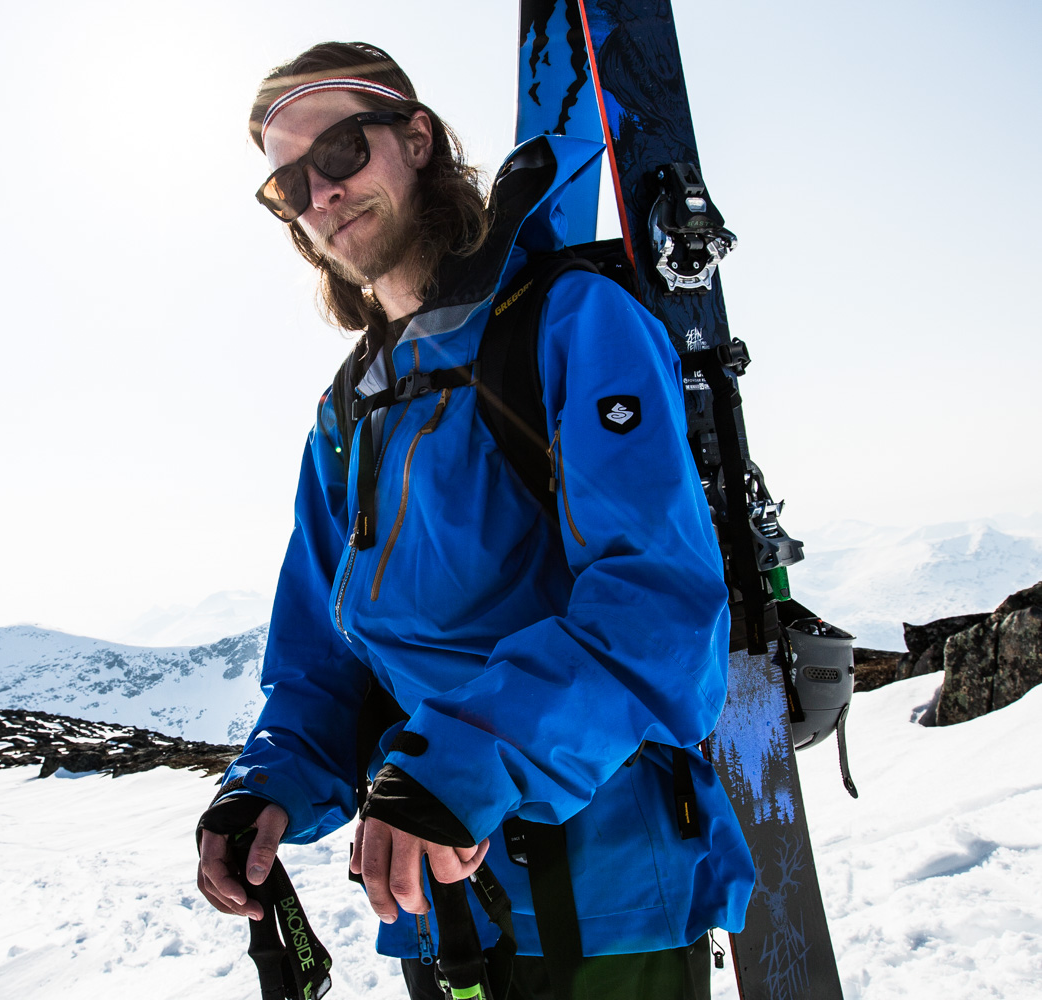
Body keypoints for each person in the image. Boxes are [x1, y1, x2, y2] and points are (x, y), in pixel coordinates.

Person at [195, 41, 754, 1000]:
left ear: (417, 141)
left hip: (605, 907)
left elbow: (656, 606)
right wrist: (268, 790)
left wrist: (463, 763)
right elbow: (323, 665)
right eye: (288, 185)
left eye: (339, 153)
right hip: (433, 913)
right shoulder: (349, 410)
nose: (320, 194)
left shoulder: (572, 322)